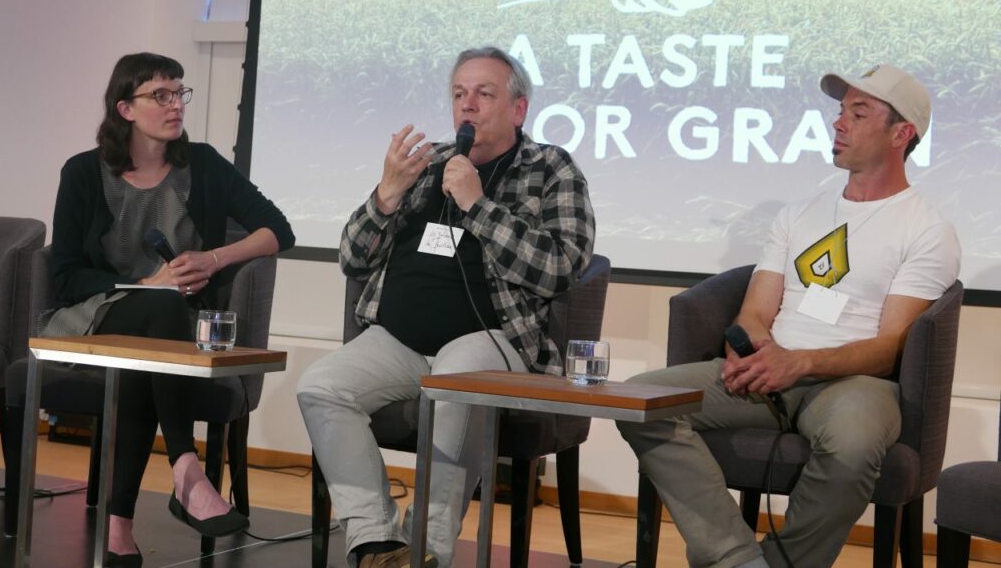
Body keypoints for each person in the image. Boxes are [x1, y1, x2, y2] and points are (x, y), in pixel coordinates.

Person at [617, 64, 961, 568]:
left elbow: (890, 345)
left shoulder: (927, 229)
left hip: (856, 381)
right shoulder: (799, 213)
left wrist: (798, 363)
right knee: (639, 400)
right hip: (772, 369)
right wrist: (751, 350)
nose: (839, 124)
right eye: (841, 112)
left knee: (853, 444)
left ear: (900, 134)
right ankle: (735, 559)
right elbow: (755, 309)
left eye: (858, 113)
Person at [296, 46, 595, 568]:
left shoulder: (550, 167)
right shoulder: (425, 163)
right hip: (397, 337)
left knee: (452, 386)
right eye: (459, 94)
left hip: (494, 334)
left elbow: (560, 268)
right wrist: (385, 196)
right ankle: (377, 543)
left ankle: (425, 553)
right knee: (319, 387)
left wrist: (478, 206)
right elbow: (351, 259)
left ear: (518, 109)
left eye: (485, 93)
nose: (468, 106)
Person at [42, 52, 295, 566]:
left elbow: (278, 230)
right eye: (160, 94)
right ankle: (185, 466)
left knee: (147, 351)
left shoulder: (201, 164)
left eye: (180, 92)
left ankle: (119, 533)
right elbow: (64, 275)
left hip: (168, 327)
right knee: (158, 312)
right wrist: (143, 281)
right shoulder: (83, 173)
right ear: (125, 108)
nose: (175, 104)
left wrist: (215, 256)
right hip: (94, 315)